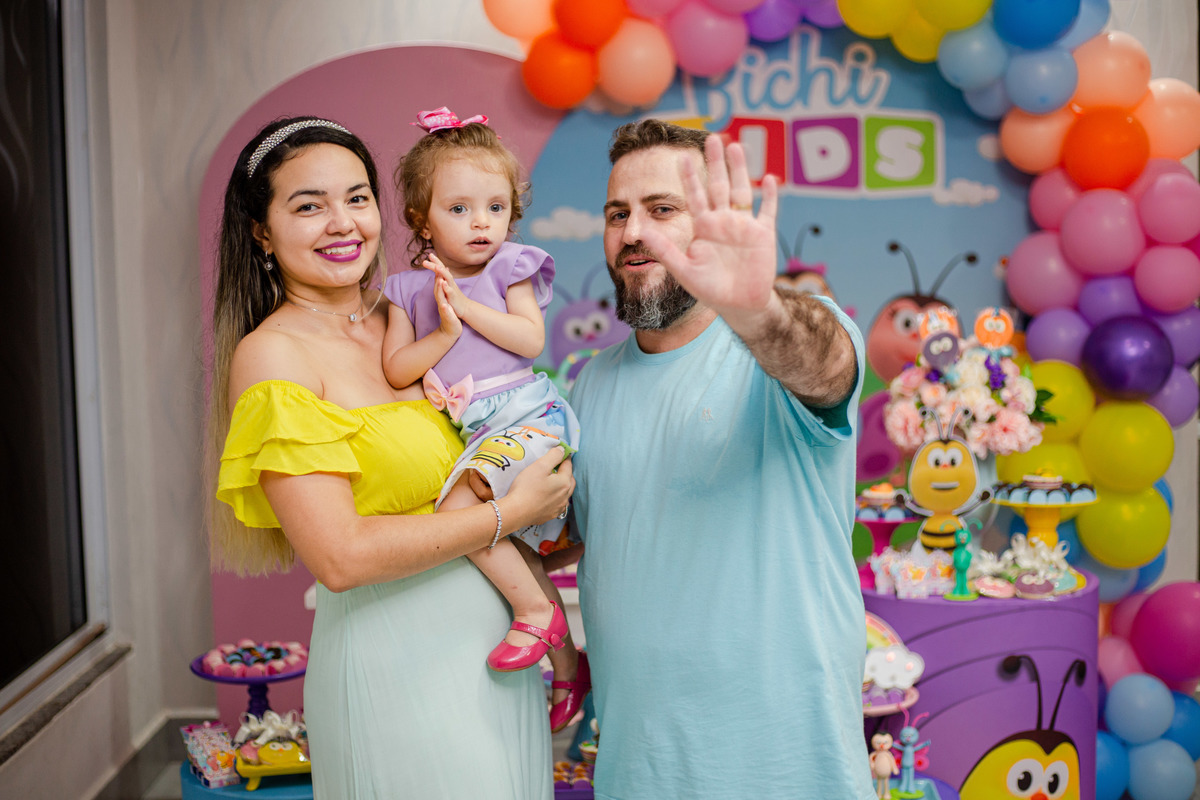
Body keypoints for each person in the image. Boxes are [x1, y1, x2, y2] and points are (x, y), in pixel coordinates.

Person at [208, 116, 573, 799]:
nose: (342, 223)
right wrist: (510, 512)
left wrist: (549, 517)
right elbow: (341, 557)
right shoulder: (274, 355)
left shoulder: (406, 315)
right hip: (399, 671)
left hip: (499, 660)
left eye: (357, 197)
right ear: (261, 231)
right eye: (309, 205)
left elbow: (479, 465)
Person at [568, 119, 876, 799]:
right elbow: (570, 538)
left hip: (789, 775)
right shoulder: (590, 385)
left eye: (662, 210)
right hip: (638, 775)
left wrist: (757, 309)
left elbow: (823, 368)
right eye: (618, 214)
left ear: (714, 219)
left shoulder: (780, 343)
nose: (633, 232)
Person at [383, 108, 587, 732]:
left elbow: (529, 340)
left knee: (459, 515)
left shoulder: (510, 267)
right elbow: (397, 368)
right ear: (421, 219)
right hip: (477, 432)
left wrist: (466, 309)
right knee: (508, 544)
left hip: (529, 418)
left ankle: (536, 616)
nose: (482, 223)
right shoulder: (405, 291)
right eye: (459, 208)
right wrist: (443, 331)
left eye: (496, 208)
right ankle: (571, 668)